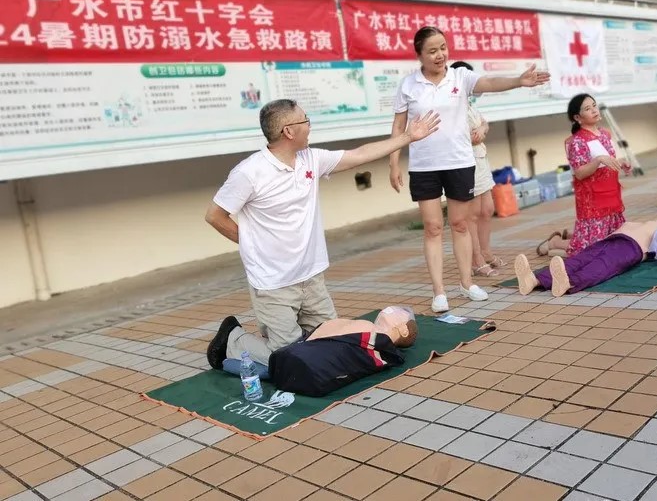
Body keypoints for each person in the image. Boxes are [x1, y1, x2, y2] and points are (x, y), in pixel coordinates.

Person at [205, 99, 439, 369]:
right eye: (305, 120)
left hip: (311, 277)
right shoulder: (249, 172)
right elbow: (215, 215)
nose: (310, 126)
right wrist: (252, 246)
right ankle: (232, 339)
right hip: (273, 283)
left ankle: (299, 340)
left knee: (334, 344)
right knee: (289, 359)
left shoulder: (311, 159)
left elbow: (359, 155)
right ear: (288, 132)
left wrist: (409, 136)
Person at [389, 26, 550, 313]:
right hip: (424, 166)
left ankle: (466, 283)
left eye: (443, 48)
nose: (440, 55)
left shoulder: (459, 77)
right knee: (433, 227)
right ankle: (439, 291)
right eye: (432, 51)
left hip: (460, 162)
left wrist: (517, 81)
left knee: (461, 224)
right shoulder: (408, 85)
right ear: (419, 55)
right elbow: (398, 127)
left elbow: (488, 82)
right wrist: (393, 162)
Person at [212, 307, 418, 396]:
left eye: (394, 313)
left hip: (302, 362)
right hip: (314, 376)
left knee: (285, 349)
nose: (387, 311)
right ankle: (233, 359)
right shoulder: (387, 354)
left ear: (403, 329)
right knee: (277, 363)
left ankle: (233, 338)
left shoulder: (369, 329)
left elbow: (325, 330)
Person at [538, 93, 630, 258]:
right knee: (593, 251)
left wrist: (620, 162)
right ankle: (555, 243)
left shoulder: (604, 134)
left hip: (610, 195)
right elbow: (580, 173)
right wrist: (598, 160)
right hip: (592, 200)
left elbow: (607, 160)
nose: (594, 110)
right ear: (577, 117)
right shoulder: (577, 141)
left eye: (594, 105)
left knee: (612, 243)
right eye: (588, 109)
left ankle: (571, 238)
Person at [515, 217, 657, 297]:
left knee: (599, 267)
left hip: (631, 248)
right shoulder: (646, 222)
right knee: (577, 260)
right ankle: (533, 280)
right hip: (610, 240)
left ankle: (568, 283)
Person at [449, 60, 504, 278]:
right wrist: (472, 135)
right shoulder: (451, 105)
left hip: (480, 159)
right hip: (464, 162)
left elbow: (484, 123)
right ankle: (476, 260)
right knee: (470, 215)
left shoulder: (470, 103)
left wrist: (482, 128)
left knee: (487, 209)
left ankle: (486, 251)